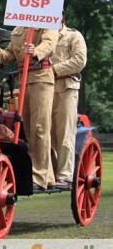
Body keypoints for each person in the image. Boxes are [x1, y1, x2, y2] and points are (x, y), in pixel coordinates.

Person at [0, 0, 59, 191]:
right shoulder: (17, 29)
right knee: (26, 128)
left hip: (41, 76)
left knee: (41, 128)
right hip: (23, 80)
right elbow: (9, 55)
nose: (27, 1)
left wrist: (36, 50)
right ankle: (47, 174)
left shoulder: (47, 23)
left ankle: (39, 176)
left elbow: (50, 43)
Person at [51, 10, 87, 189]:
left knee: (64, 132)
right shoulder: (40, 38)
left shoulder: (73, 36)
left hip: (66, 88)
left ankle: (64, 175)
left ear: (62, 17)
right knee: (43, 134)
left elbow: (79, 61)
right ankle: (49, 173)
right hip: (43, 90)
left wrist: (54, 69)